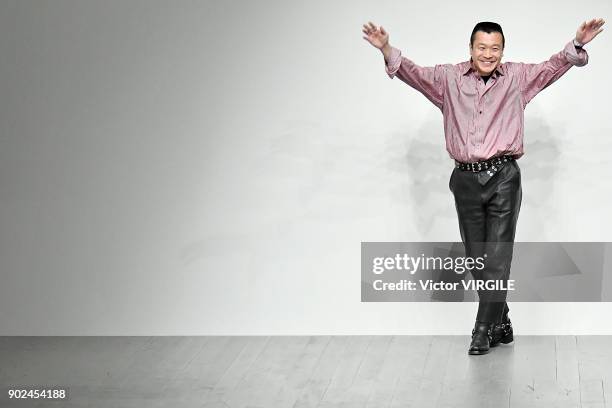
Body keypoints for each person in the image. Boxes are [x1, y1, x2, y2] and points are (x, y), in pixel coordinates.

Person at [362, 19, 605, 355]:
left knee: (497, 259)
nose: (488, 54)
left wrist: (577, 44)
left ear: (502, 51)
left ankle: (482, 329)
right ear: (471, 49)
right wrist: (387, 49)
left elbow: (552, 66)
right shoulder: (448, 79)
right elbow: (414, 75)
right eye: (482, 47)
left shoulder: (518, 78)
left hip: (504, 177)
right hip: (464, 179)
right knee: (478, 261)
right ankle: (501, 319)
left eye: (495, 48)